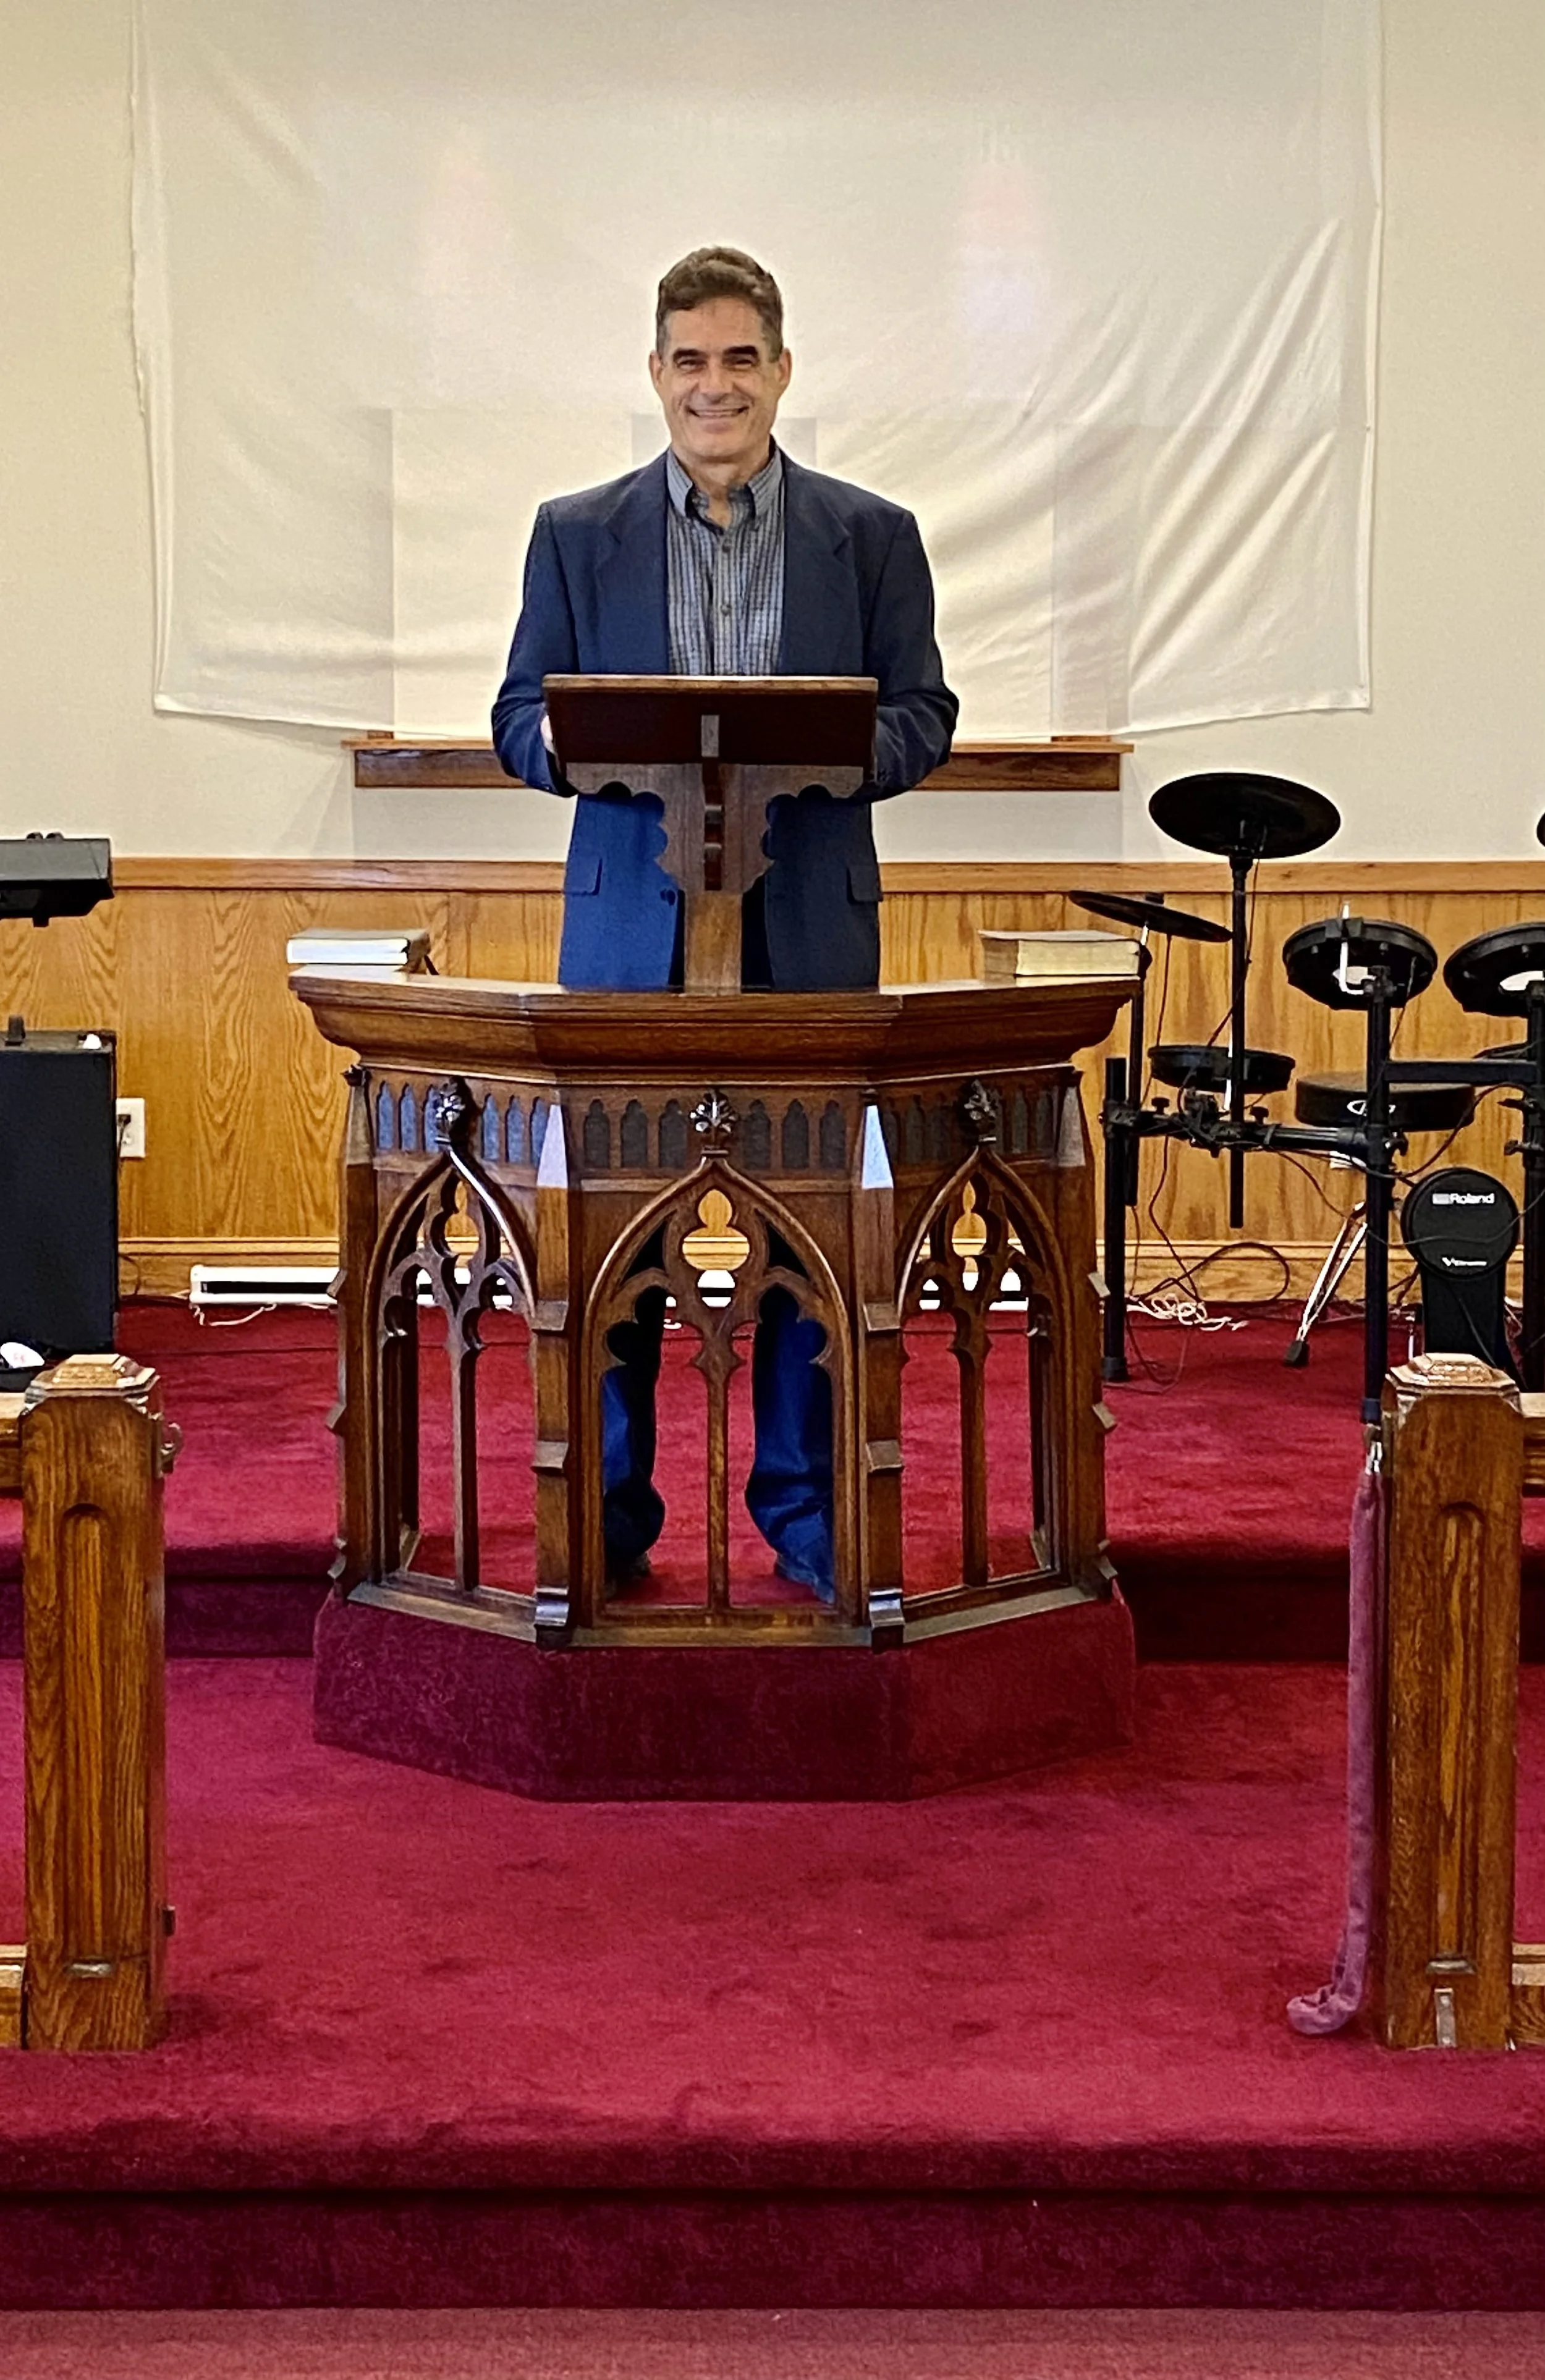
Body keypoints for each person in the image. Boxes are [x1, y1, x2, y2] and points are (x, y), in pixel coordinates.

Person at [493, 246, 957, 1595]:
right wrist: (608, 751)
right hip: (630, 946)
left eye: (740, 359)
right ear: (655, 376)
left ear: (782, 372)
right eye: (689, 361)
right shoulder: (573, 533)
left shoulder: (870, 536)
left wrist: (805, 754)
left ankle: (808, 1526)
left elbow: (923, 716)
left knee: (814, 1247)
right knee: (623, 1245)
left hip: (806, 936)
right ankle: (613, 1523)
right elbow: (518, 716)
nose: (715, 386)